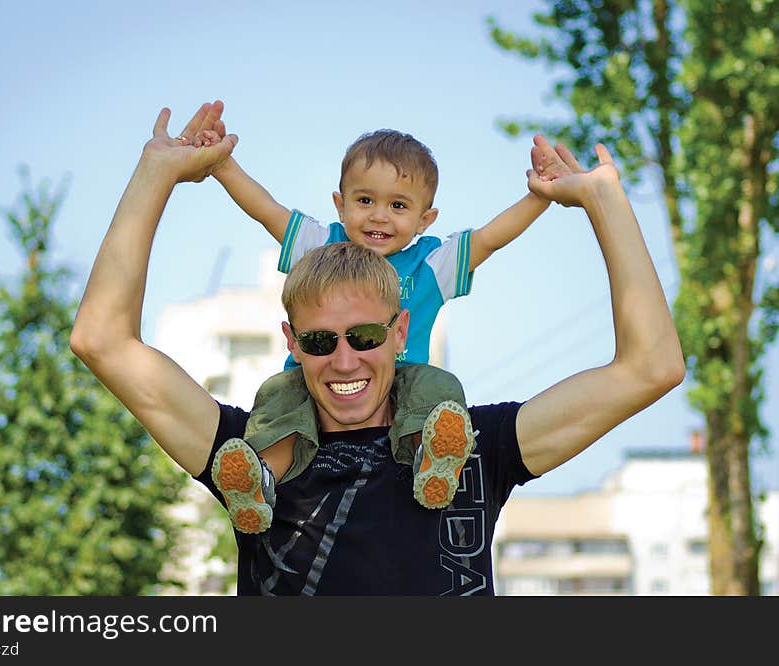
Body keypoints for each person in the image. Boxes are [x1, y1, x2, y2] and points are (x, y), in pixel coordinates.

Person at [70, 100, 685, 595]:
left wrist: (605, 199)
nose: (343, 360)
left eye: (365, 337)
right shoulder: (254, 453)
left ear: (399, 332)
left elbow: (651, 368)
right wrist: (157, 170)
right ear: (291, 342)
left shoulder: (473, 446)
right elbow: (99, 339)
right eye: (318, 341)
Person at [192, 111, 556, 532]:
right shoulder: (321, 244)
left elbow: (490, 238)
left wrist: (540, 197)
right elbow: (266, 210)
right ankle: (259, 483)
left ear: (425, 220)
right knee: (277, 398)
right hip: (314, 380)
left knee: (440, 389)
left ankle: (432, 462)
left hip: (404, 379)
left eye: (398, 206)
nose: (379, 216)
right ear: (340, 204)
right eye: (365, 201)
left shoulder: (428, 265)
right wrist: (222, 166)